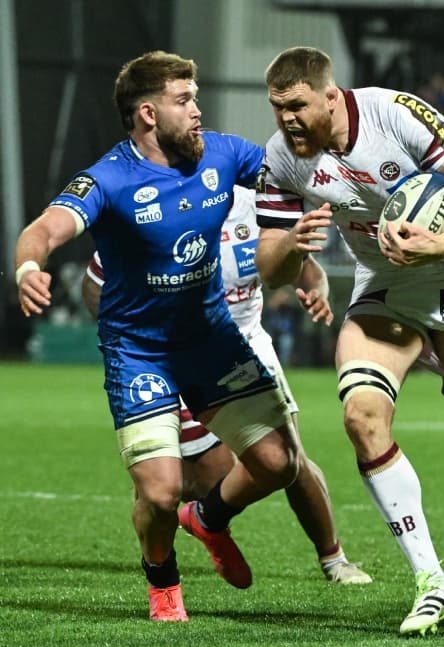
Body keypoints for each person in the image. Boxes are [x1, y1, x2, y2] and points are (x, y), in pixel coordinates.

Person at [15, 51, 304, 622]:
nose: (198, 110)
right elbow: (43, 229)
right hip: (138, 350)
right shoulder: (109, 178)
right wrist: (29, 268)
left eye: (195, 97)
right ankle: (163, 581)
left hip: (212, 340)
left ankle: (211, 521)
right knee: (161, 492)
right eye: (184, 100)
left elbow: (293, 170)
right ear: (148, 114)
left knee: (279, 462)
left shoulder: (222, 153)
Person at [254, 46, 444, 636]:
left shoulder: (394, 112)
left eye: (297, 106)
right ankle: (432, 583)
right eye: (278, 108)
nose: (286, 120)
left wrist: (441, 241)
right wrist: (292, 242)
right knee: (361, 416)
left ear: (331, 96)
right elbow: (269, 268)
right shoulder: (281, 160)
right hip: (383, 281)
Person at [81, 185, 372, 586]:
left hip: (246, 346)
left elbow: (309, 270)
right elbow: (95, 281)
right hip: (174, 352)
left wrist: (318, 292)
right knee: (178, 479)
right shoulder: (159, 208)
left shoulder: (258, 208)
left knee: (291, 458)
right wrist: (126, 335)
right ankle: (165, 568)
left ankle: (333, 558)